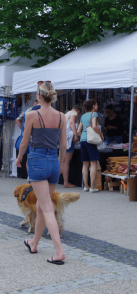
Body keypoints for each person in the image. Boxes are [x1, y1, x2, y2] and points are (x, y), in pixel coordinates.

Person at [16, 81, 67, 265]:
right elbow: (63, 145)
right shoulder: (62, 116)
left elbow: (24, 142)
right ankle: (34, 243)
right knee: (40, 205)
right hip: (54, 161)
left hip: (37, 160)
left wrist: (19, 158)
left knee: (46, 208)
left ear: (39, 95)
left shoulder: (32, 115)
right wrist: (60, 164)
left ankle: (59, 252)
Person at [77, 99, 104, 193]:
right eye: (96, 105)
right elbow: (94, 126)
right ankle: (92, 187)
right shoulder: (94, 114)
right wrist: (100, 134)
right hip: (90, 141)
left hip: (83, 140)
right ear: (93, 106)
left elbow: (78, 131)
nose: (97, 106)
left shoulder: (83, 116)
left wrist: (83, 137)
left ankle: (86, 186)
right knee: (93, 163)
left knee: (85, 164)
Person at [62, 104, 82, 188]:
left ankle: (65, 181)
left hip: (63, 138)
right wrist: (75, 135)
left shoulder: (66, 114)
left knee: (64, 161)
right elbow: (72, 123)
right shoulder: (73, 113)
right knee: (66, 161)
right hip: (68, 138)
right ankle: (66, 182)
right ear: (78, 111)